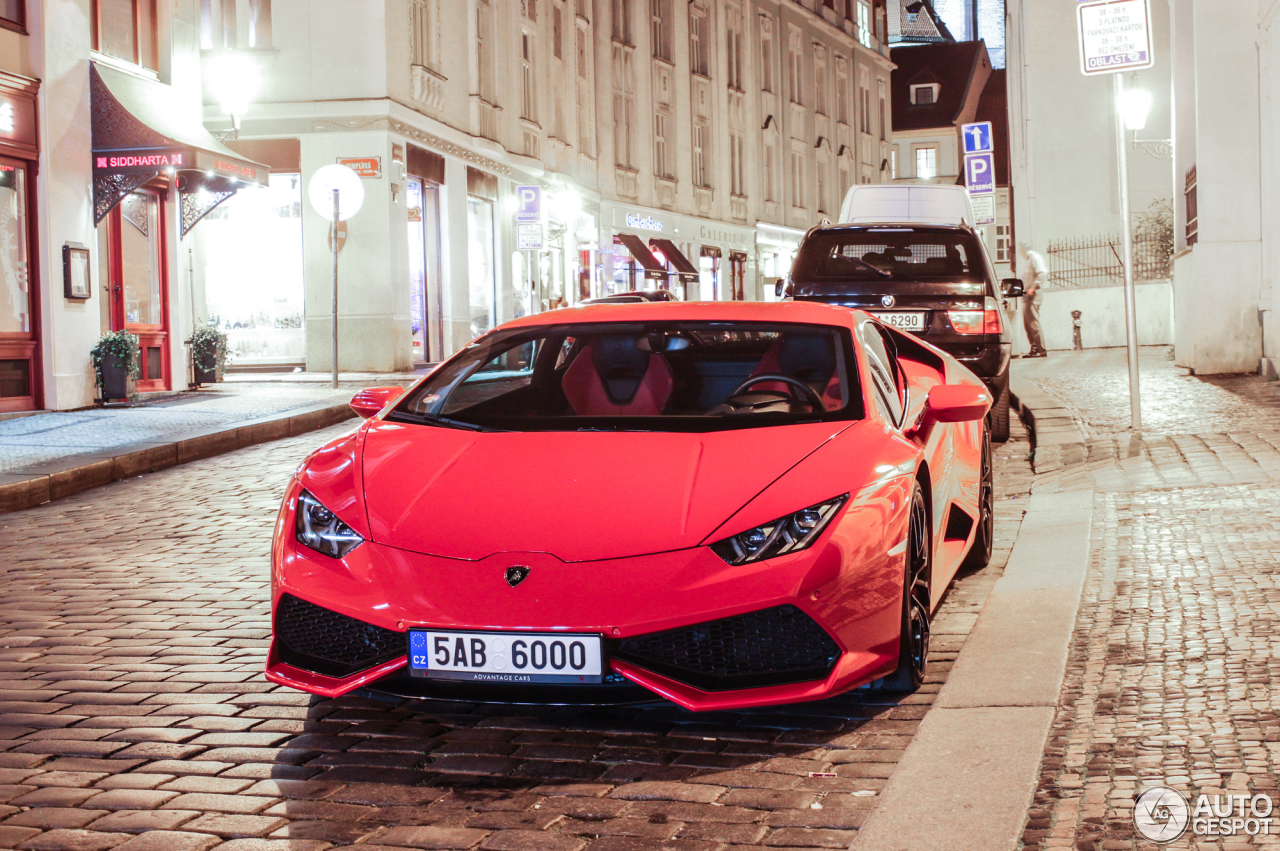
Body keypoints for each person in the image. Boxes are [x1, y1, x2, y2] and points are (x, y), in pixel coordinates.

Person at [1016, 240, 1048, 357]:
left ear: (1024, 249)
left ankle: (1041, 349)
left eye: (1020, 250)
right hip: (1026, 296)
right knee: (1028, 324)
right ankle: (1034, 348)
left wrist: (1033, 288)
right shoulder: (1028, 260)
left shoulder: (1034, 258)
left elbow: (1042, 273)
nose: (1020, 252)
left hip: (1032, 295)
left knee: (1033, 323)